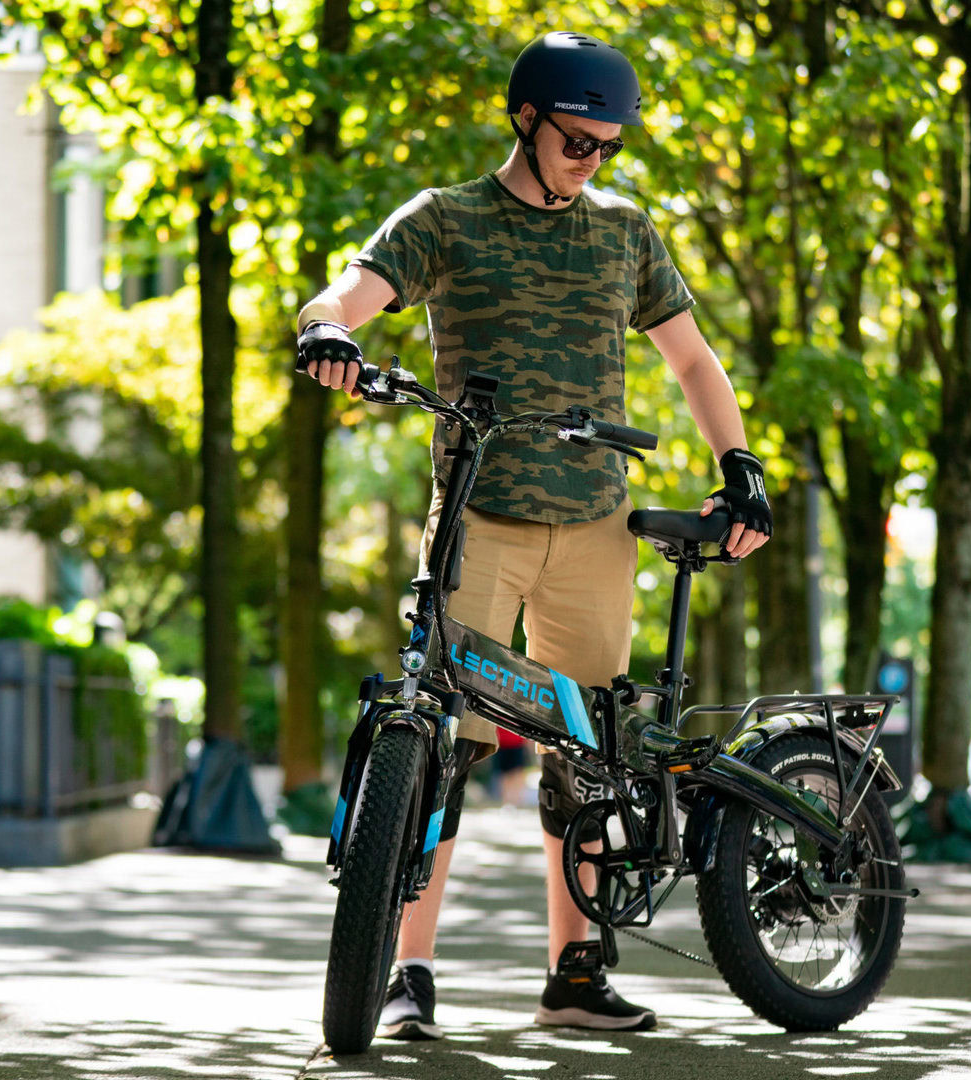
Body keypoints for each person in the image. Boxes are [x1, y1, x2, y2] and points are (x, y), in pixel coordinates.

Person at [294, 30, 772, 1040]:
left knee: (589, 758)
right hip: (480, 518)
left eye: (609, 147)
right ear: (525, 118)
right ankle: (409, 973)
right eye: (578, 141)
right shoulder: (448, 221)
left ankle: (575, 973)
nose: (592, 160)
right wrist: (330, 333)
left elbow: (691, 361)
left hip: (595, 525)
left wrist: (740, 465)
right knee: (442, 745)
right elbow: (350, 291)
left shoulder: (626, 235)